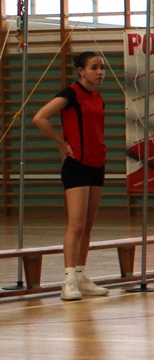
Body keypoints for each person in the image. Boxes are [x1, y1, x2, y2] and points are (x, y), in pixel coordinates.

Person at [32, 50, 112, 301]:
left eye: (101, 68)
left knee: (88, 225)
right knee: (76, 224)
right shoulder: (70, 94)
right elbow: (40, 118)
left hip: (97, 164)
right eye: (94, 67)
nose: (100, 72)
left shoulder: (98, 98)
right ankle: (68, 281)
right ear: (80, 70)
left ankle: (80, 275)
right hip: (76, 164)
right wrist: (61, 143)